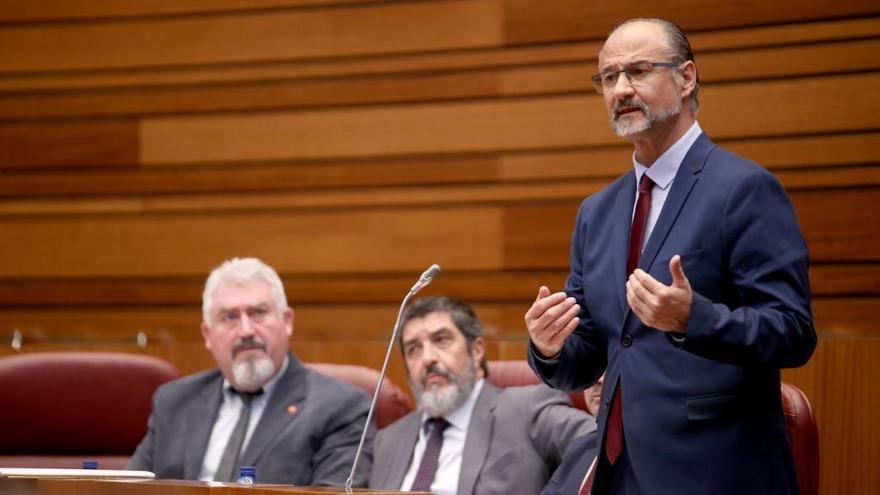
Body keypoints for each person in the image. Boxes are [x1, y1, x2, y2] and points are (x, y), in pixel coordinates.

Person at [524, 18, 816, 495]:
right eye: (608, 77)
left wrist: (692, 318)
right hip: (618, 472)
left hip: (715, 472)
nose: (621, 89)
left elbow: (793, 332)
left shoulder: (744, 190)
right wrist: (549, 346)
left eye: (638, 71)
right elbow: (593, 351)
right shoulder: (596, 212)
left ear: (686, 78)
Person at [128, 257, 374, 486]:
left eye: (258, 313)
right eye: (229, 317)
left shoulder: (341, 408)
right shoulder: (175, 402)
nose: (246, 330)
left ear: (287, 321)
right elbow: (125, 489)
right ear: (208, 335)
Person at [370, 296, 594, 495]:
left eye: (442, 340)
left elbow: (600, 450)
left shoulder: (528, 409)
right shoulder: (388, 440)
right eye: (414, 349)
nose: (427, 358)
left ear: (476, 351)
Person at [542, 375, 603, 495]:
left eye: (609, 368)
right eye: (593, 370)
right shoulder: (579, 447)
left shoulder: (646, 452)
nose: (597, 380)